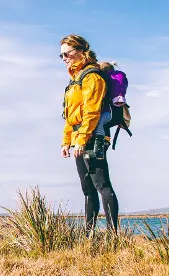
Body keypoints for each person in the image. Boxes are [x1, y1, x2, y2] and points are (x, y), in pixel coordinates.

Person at [60, 35, 120, 233]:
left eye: (67, 53)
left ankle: (113, 236)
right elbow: (71, 115)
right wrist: (66, 141)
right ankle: (89, 235)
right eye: (61, 55)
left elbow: (91, 112)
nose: (64, 58)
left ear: (81, 51)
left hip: (94, 136)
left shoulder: (91, 77)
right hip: (79, 139)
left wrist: (82, 139)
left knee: (102, 185)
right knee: (87, 190)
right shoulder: (74, 80)